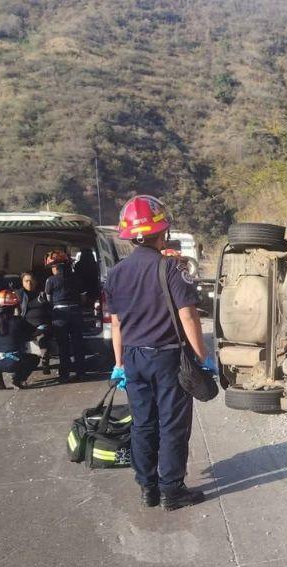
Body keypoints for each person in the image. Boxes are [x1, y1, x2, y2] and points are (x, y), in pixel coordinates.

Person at [104, 195, 213, 511]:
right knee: (172, 425)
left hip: (134, 358)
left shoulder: (116, 273)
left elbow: (117, 323)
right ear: (162, 230)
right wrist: (201, 357)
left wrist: (119, 363)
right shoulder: (171, 269)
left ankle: (147, 488)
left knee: (142, 423)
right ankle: (171, 490)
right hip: (167, 359)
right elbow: (188, 317)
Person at [0, 290, 41, 390]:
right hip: (12, 362)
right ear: (14, 307)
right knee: (34, 359)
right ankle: (18, 379)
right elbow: (34, 332)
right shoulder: (18, 321)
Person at [43, 250, 86, 382]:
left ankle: (64, 375)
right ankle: (81, 373)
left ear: (56, 267)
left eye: (53, 267)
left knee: (63, 346)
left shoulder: (50, 281)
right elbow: (83, 298)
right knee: (78, 343)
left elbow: (49, 300)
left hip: (59, 315)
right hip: (76, 312)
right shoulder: (77, 278)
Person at [16, 272, 52, 375]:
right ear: (22, 282)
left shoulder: (42, 294)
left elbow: (50, 308)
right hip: (25, 325)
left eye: (31, 281)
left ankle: (45, 362)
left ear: (36, 282)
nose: (29, 283)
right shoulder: (19, 294)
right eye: (26, 281)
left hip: (41, 325)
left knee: (42, 336)